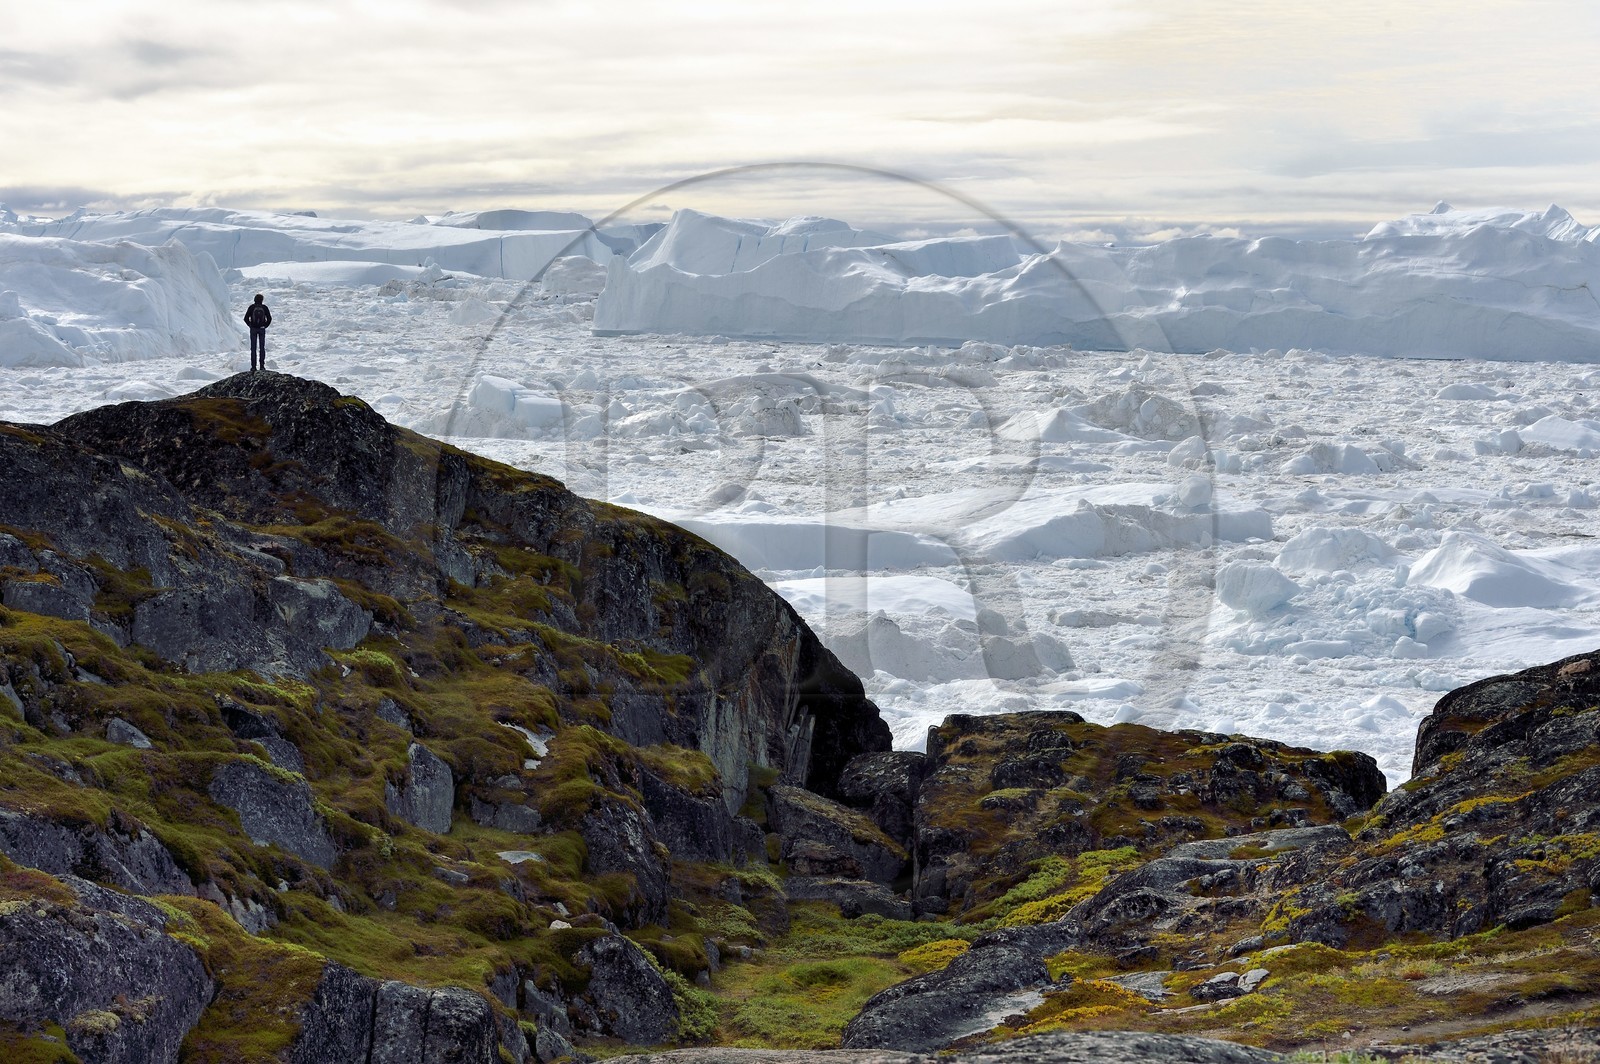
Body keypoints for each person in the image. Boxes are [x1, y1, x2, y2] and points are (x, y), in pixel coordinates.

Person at [243, 294, 272, 371]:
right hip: (261, 329)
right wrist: (264, 326)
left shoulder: (252, 307)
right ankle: (262, 366)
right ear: (262, 300)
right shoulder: (264, 307)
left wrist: (250, 325)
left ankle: (253, 367)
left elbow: (245, 318)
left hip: (253, 329)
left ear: (254, 299)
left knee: (253, 348)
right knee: (262, 348)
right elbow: (269, 318)